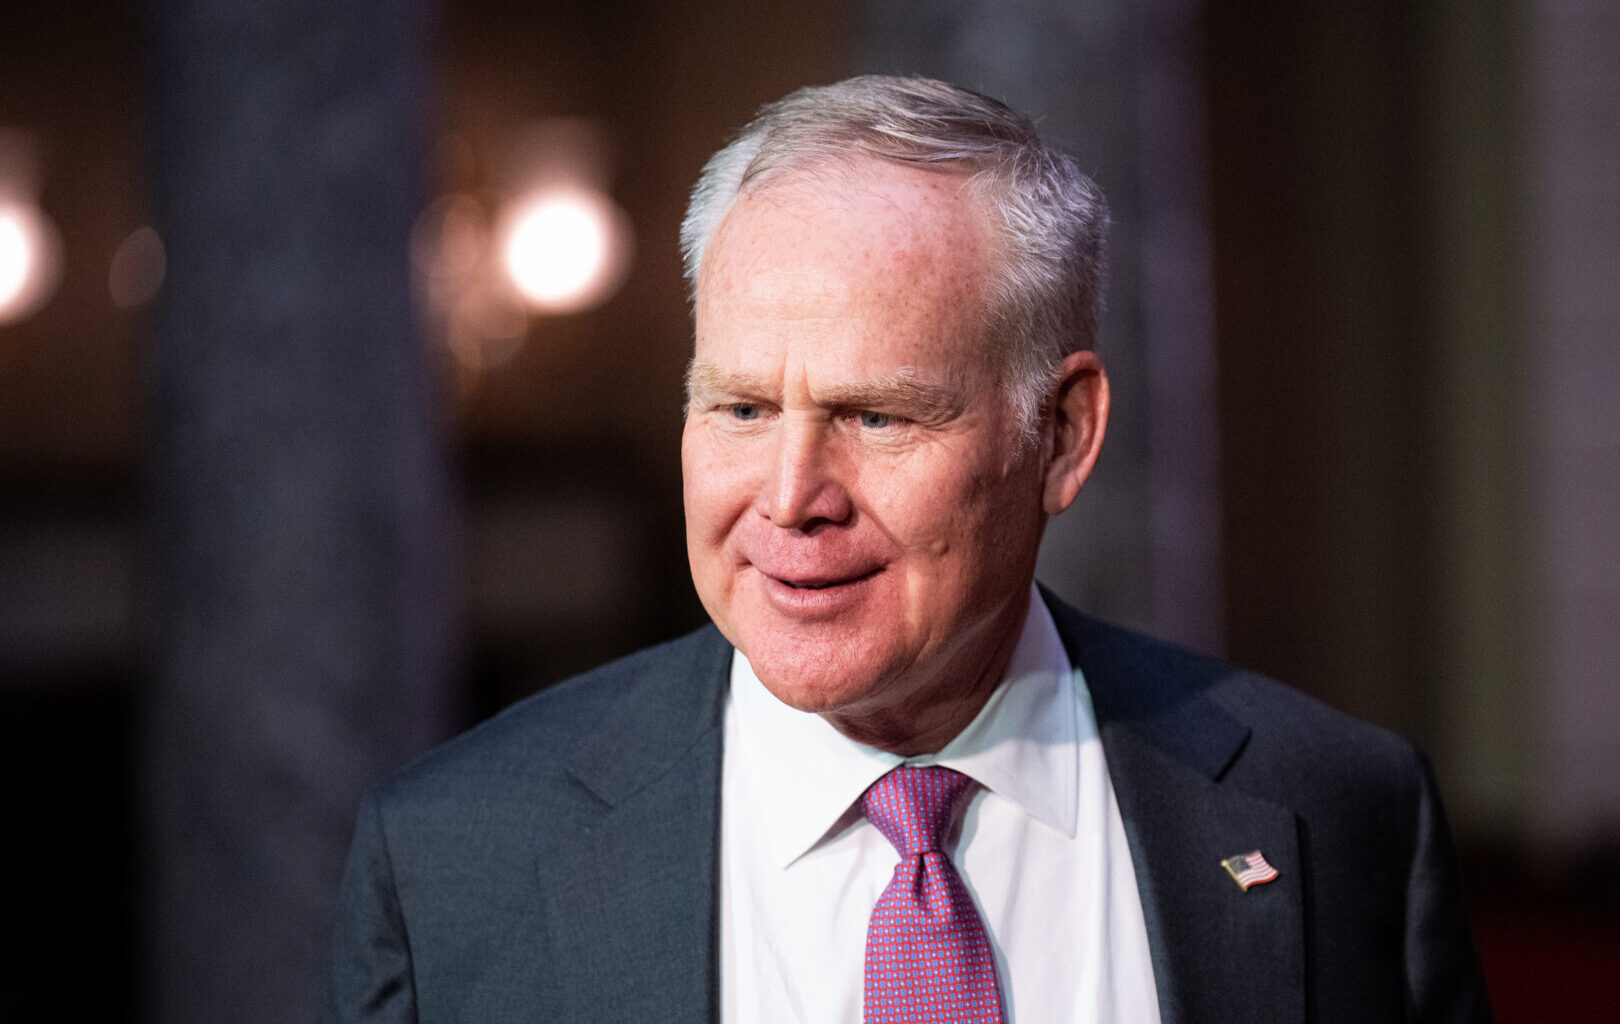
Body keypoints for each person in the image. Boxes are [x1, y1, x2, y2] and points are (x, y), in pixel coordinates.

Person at [322, 76, 1491, 1023]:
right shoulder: (452, 863)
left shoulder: (1337, 812)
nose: (790, 498)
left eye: (878, 416)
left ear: (1063, 435)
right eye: (738, 409)